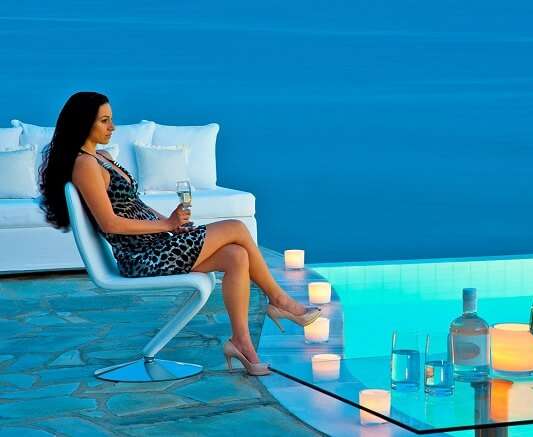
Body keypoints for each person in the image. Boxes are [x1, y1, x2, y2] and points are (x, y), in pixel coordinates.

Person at [39, 91, 321, 376]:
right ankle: (279, 301)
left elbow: (133, 205)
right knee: (236, 226)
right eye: (104, 120)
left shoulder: (101, 157)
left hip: (158, 246)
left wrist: (171, 221)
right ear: (83, 123)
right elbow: (110, 223)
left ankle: (241, 343)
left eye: (111, 119)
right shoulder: (84, 164)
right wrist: (166, 225)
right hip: (142, 258)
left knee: (235, 256)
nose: (112, 127)